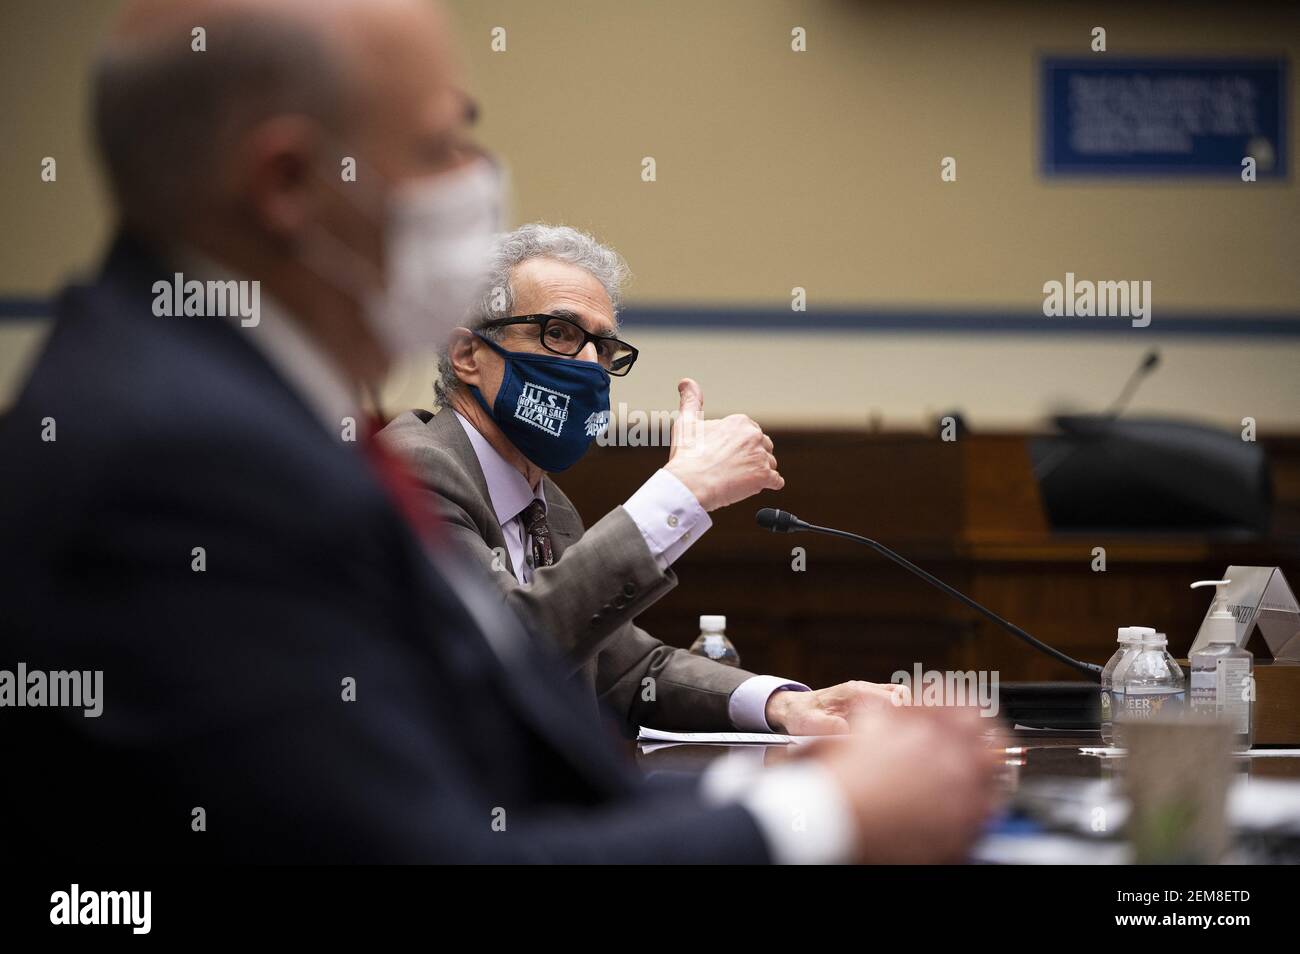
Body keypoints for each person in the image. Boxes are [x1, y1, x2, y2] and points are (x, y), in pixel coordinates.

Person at [0, 0, 1002, 863]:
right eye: (440, 147)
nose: (475, 183)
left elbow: (530, 723)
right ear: (288, 185)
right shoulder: (190, 460)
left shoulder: (230, 409)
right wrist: (823, 818)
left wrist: (795, 734)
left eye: (600, 349)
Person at [382, 223, 904, 734]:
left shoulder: (548, 505)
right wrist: (682, 492)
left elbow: (626, 669)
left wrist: (786, 705)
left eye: (603, 348)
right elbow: (505, 646)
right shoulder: (413, 469)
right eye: (559, 333)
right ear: (468, 355)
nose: (590, 364)